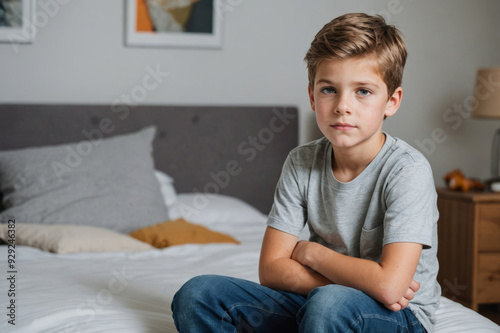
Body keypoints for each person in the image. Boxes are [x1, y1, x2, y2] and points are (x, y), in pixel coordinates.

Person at [172, 12, 441, 333]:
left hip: (398, 316)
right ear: (312, 96)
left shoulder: (407, 170)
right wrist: (366, 279)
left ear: (392, 101)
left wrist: (310, 252)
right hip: (319, 303)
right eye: (329, 89)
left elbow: (390, 289)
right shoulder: (301, 161)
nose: (343, 105)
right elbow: (271, 270)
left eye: (363, 92)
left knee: (330, 303)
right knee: (198, 294)